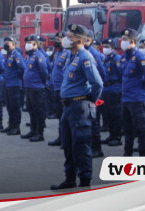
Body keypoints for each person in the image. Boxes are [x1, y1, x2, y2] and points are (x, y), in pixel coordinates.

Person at [51, 24, 103, 190]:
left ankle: (85, 182)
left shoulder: (84, 57)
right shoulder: (70, 56)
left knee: (81, 145)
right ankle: (70, 179)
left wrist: (89, 101)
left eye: (70, 37)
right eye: (67, 35)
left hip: (80, 106)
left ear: (79, 40)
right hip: (68, 107)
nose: (66, 39)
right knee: (68, 144)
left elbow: (98, 83)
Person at [120, 29, 145, 156]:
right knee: (127, 130)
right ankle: (127, 156)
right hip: (126, 99)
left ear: (132, 41)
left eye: (124, 39)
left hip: (136, 99)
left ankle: (143, 157)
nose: (122, 42)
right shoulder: (124, 57)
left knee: (141, 130)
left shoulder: (140, 57)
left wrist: (141, 88)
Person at [21, 34, 48, 142]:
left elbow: (44, 72)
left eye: (30, 43)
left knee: (38, 111)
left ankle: (39, 133)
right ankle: (33, 130)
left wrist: (40, 82)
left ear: (35, 44)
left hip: (37, 88)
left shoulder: (39, 56)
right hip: (29, 87)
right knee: (31, 110)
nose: (27, 45)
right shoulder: (28, 56)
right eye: (26, 43)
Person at [85, 30, 106, 158]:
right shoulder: (83, 52)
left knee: (93, 121)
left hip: (93, 92)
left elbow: (102, 74)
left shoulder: (92, 53)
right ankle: (91, 146)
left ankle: (97, 148)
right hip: (86, 92)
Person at [48, 32, 70, 147]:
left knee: (65, 116)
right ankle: (61, 137)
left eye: (60, 38)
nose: (57, 40)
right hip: (56, 88)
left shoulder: (68, 53)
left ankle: (66, 139)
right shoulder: (57, 54)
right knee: (59, 115)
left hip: (63, 89)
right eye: (56, 38)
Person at [100, 38, 123, 147]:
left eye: (107, 47)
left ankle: (117, 137)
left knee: (115, 115)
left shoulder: (117, 59)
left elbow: (121, 75)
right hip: (106, 89)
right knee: (107, 114)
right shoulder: (107, 58)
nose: (105, 49)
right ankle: (111, 135)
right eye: (104, 46)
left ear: (113, 48)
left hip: (115, 88)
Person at [2, 37, 26, 135]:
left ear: (13, 44)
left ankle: (16, 127)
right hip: (8, 84)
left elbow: (22, 69)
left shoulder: (16, 55)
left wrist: (17, 78)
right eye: (5, 42)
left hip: (15, 84)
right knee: (9, 106)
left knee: (15, 107)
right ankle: (11, 125)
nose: (6, 44)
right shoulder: (8, 55)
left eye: (8, 42)